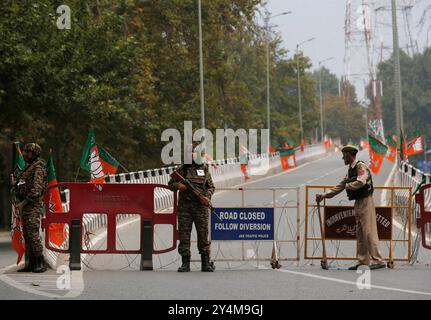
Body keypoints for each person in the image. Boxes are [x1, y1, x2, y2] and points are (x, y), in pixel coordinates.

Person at [315, 145, 386, 270]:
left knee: (369, 232)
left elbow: (361, 181)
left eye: (344, 155)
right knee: (360, 232)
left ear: (349, 154)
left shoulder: (360, 166)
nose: (343, 157)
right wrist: (324, 195)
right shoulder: (350, 170)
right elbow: (340, 186)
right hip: (358, 202)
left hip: (365, 201)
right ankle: (363, 260)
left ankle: (378, 260)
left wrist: (349, 185)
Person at [168, 143, 215, 272]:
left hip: (201, 208)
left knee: (203, 236)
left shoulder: (204, 169)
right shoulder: (182, 169)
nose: (192, 155)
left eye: (194, 152)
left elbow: (211, 187)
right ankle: (185, 263)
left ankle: (205, 263)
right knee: (184, 235)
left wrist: (206, 197)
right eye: (190, 152)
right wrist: (179, 186)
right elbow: (170, 184)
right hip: (185, 209)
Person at [14, 143, 48, 273]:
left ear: (34, 154)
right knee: (27, 235)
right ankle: (31, 263)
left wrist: (24, 203)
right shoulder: (29, 167)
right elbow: (23, 184)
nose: (24, 154)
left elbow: (37, 189)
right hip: (25, 204)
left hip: (32, 205)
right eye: (24, 151)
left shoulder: (38, 167)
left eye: (27, 152)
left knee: (33, 234)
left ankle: (40, 262)